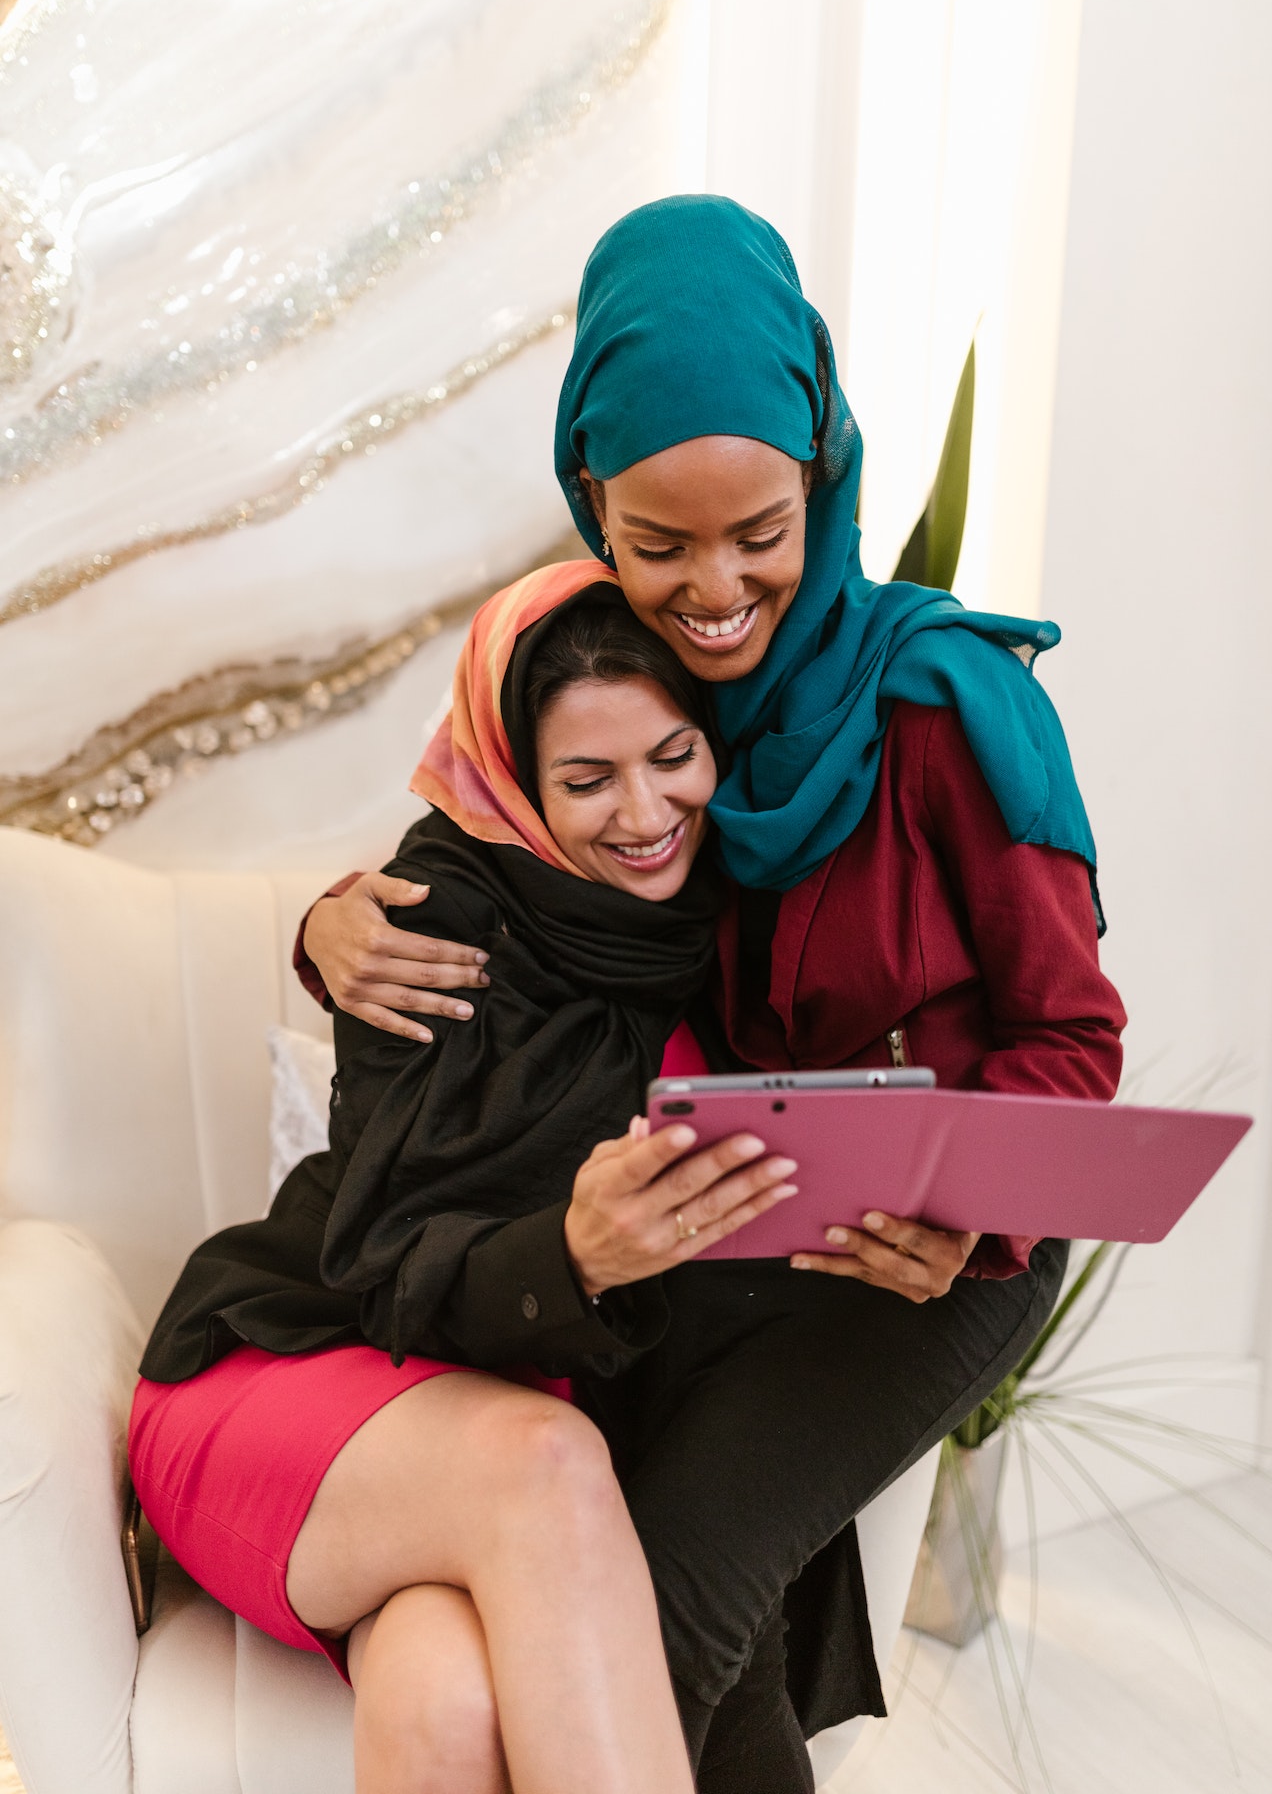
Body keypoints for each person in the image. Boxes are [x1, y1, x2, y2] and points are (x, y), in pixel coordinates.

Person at [298, 195, 1127, 1791]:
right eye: (658, 543)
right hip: (736, 1237)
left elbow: (1074, 1043)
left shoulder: (954, 700)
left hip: (934, 1255)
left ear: (823, 467)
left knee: (659, 1622)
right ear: (588, 499)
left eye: (764, 531)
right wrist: (332, 923)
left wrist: (973, 1211)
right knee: (677, 1622)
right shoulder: (659, 701)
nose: (718, 589)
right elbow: (502, 859)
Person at [129, 575, 806, 1794]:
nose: (645, 813)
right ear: (514, 784)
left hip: (509, 1463)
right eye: (587, 781)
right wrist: (578, 1255)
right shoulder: (429, 921)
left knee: (446, 1703)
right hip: (311, 1373)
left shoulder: (749, 932)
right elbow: (383, 1270)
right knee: (542, 1460)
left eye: (672, 756)